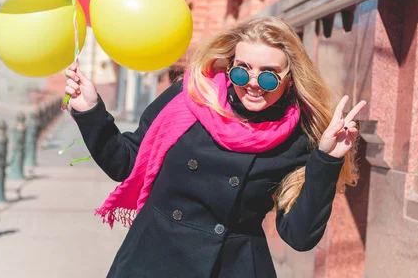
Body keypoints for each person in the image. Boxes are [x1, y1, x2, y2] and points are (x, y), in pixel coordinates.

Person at [64, 16, 366, 278]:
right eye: (241, 69)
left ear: (289, 80)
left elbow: (299, 237)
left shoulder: (298, 137)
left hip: (233, 265)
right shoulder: (191, 97)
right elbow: (125, 162)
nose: (252, 83)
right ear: (229, 64)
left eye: (269, 75)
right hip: (154, 259)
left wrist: (326, 159)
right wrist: (90, 110)